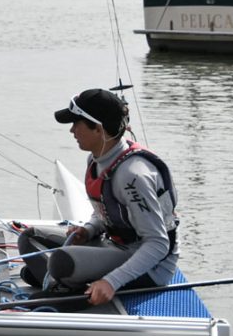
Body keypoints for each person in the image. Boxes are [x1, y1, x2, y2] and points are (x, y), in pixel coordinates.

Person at [17, 89, 180, 306]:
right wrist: (89, 229)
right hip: (114, 247)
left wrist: (111, 282)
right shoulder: (97, 159)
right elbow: (105, 211)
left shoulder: (133, 176)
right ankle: (63, 283)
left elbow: (158, 244)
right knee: (28, 238)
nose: (72, 130)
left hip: (151, 266)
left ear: (98, 130)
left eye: (77, 123)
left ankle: (64, 283)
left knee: (60, 262)